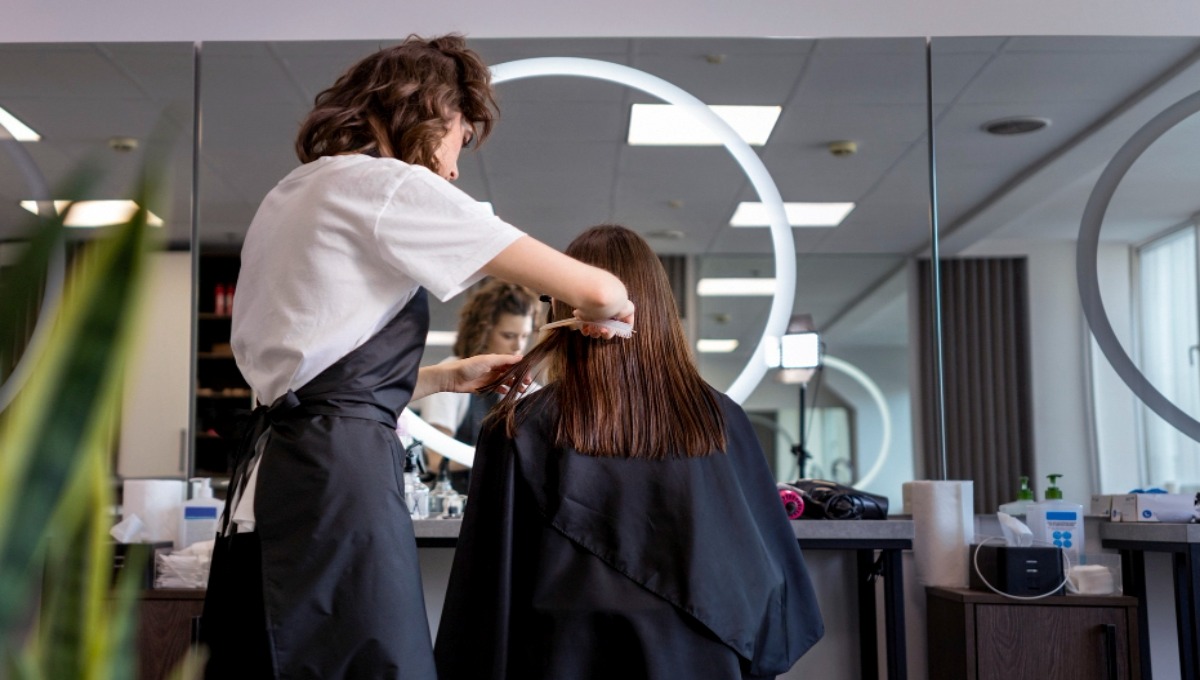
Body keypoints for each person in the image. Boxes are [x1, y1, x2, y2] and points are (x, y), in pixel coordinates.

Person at [199, 36, 635, 680]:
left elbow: (309, 382)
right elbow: (600, 291)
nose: (454, 170)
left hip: (268, 484)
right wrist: (614, 305)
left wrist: (438, 378)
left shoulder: (292, 191)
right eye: (461, 138)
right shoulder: (388, 186)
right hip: (335, 487)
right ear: (432, 113)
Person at [434, 225, 824, 680]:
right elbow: (774, 596)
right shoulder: (721, 420)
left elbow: (484, 611)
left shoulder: (519, 427)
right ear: (660, 309)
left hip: (562, 658)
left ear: (562, 309)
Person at [411, 278, 540, 493]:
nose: (518, 346)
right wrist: (501, 453)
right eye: (508, 336)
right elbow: (436, 459)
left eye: (524, 336)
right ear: (483, 331)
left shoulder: (529, 389)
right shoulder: (450, 375)